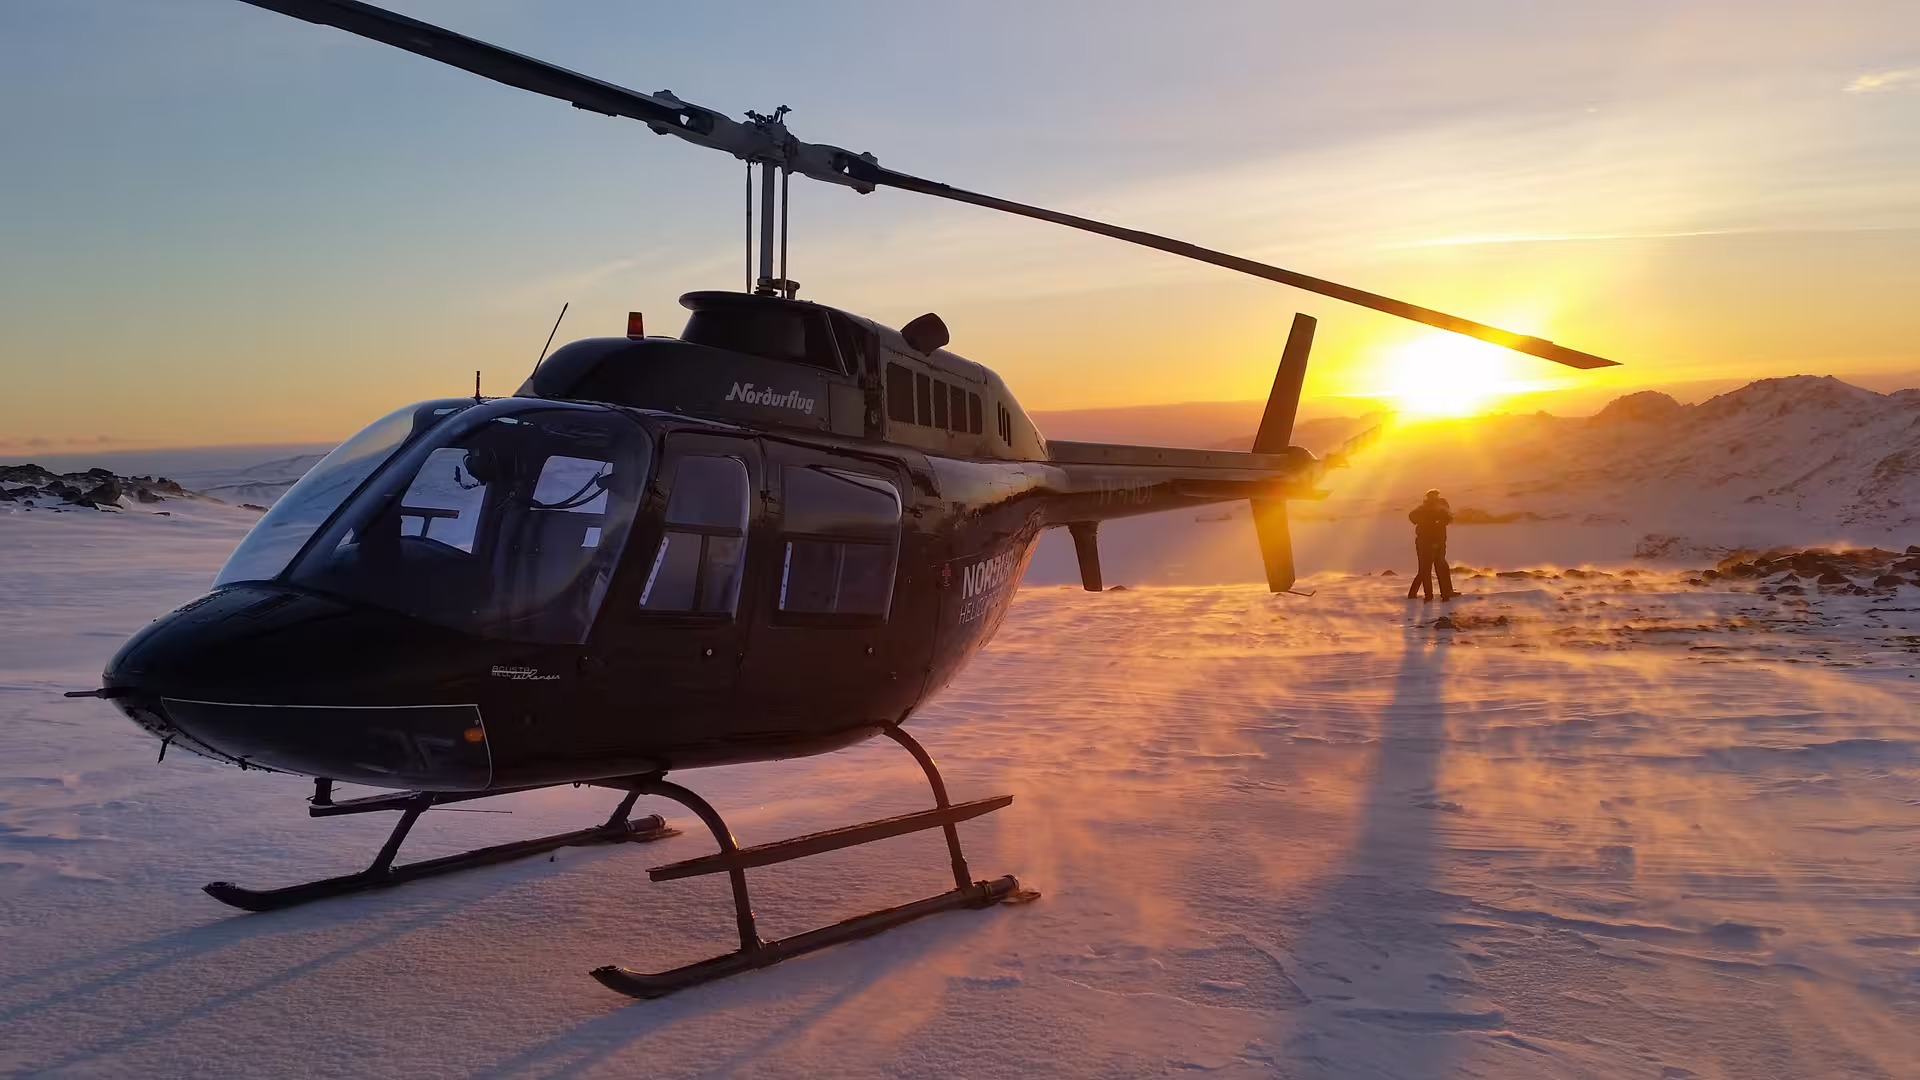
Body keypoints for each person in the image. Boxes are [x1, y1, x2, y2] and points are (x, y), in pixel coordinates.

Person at [1407, 489, 1457, 601]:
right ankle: (1434, 595)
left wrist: (1437, 517)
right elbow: (1413, 516)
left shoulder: (1434, 509)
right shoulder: (1426, 509)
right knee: (1430, 569)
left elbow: (1449, 517)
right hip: (1429, 542)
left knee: (1434, 568)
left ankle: (1442, 594)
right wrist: (1430, 520)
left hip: (1434, 542)